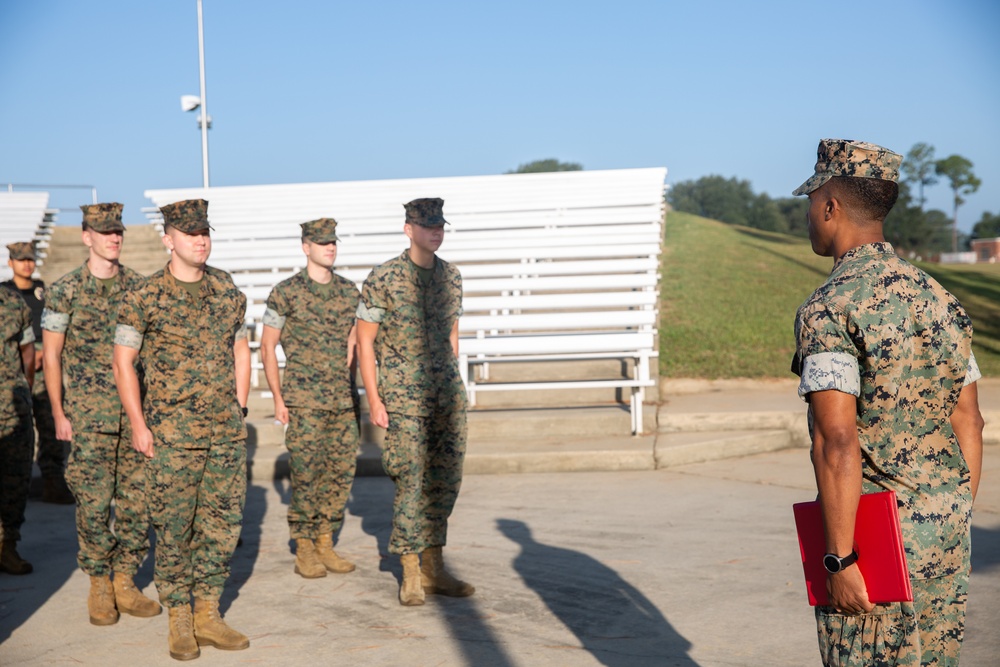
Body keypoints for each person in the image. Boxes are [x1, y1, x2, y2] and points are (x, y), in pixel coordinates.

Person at [791, 138, 984, 666]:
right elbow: (969, 420)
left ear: (830, 206)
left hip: (875, 543)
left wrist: (839, 558)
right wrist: (951, 520)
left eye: (811, 201)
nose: (808, 213)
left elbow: (836, 441)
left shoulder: (829, 309)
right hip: (944, 529)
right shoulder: (944, 302)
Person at [113, 198, 251, 661]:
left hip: (225, 433)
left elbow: (240, 350)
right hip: (172, 434)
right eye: (190, 233)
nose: (200, 240)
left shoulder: (226, 289)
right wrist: (137, 423)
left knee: (222, 525)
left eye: (204, 232)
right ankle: (181, 619)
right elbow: (123, 362)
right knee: (175, 529)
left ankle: (209, 613)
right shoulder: (144, 296)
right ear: (168, 239)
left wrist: (242, 405)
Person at [41, 203, 159, 625]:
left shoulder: (140, 288)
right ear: (86, 236)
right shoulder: (65, 290)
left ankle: (125, 579)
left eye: (118, 232)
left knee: (135, 503)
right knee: (93, 504)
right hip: (88, 418)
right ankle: (98, 583)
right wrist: (58, 411)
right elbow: (50, 357)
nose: (114, 238)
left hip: (133, 417)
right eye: (104, 231)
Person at [356, 197, 475, 606]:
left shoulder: (452, 277)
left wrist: (453, 380)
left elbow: (452, 335)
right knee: (411, 481)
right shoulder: (385, 277)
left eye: (440, 225)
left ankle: (434, 566)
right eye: (427, 226)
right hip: (404, 399)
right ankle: (409, 570)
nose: (435, 232)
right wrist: (374, 398)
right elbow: (365, 343)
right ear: (409, 229)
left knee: (445, 482)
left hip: (446, 396)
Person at [260, 217, 360, 579]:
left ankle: (324, 542)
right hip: (304, 400)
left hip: (343, 402)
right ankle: (303, 545)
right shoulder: (285, 292)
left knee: (340, 474)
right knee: (306, 475)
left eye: (333, 242)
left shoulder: (351, 292)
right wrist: (278, 399)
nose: (329, 247)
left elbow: (355, 346)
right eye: (321, 243)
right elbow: (267, 348)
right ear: (306, 247)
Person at [3, 242, 73, 504]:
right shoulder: (5, 294)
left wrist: (45, 352)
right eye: (21, 260)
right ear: (11, 263)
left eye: (30, 259)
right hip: (12, 368)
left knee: (50, 423)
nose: (27, 264)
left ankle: (53, 482)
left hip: (45, 364)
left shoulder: (44, 291)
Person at [0, 283, 35, 574]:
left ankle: (7, 547)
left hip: (13, 407)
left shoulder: (14, 302)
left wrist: (25, 390)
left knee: (15, 481)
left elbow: (27, 351)